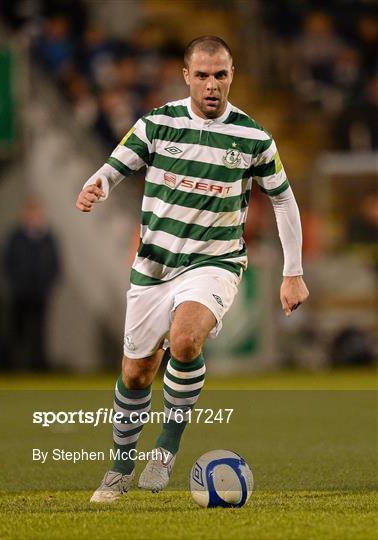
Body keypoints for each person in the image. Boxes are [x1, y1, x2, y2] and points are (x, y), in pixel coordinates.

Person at [75, 36, 309, 502]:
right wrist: (95, 185)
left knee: (184, 341)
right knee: (138, 372)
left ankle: (166, 447)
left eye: (220, 75)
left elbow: (282, 198)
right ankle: (121, 465)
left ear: (231, 76)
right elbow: (113, 168)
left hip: (214, 261)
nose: (211, 85)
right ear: (186, 76)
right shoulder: (157, 125)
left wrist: (293, 271)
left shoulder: (253, 137)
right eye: (201, 75)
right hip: (154, 263)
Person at [3, 197, 61, 370]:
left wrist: (46, 285)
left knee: (39, 332)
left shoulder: (48, 238)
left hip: (40, 293)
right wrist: (15, 283)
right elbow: (7, 262)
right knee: (17, 331)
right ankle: (15, 366)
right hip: (20, 292)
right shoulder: (16, 237)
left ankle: (38, 366)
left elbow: (55, 265)